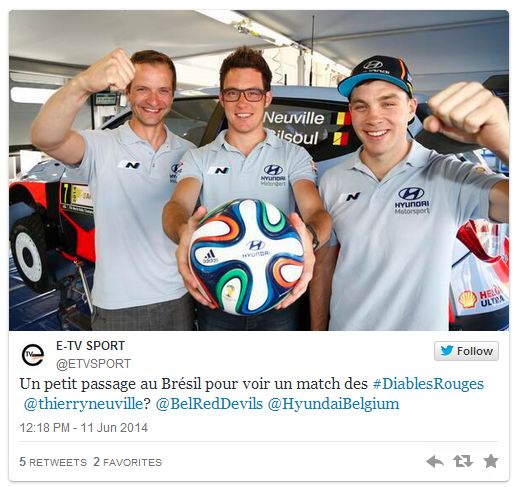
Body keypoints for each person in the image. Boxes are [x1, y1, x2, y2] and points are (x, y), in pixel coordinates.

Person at [310, 55, 509, 331]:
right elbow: (324, 267)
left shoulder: (448, 174)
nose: (373, 117)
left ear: (411, 108)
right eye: (361, 106)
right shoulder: (333, 180)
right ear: (351, 112)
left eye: (388, 103)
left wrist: (505, 145)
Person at [162, 46, 332, 331]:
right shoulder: (198, 158)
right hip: (216, 295)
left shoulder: (293, 155)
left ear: (267, 98)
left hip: (279, 294)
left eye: (252, 93)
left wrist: (310, 240)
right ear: (221, 98)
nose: (242, 103)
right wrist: (183, 233)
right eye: (232, 93)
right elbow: (177, 206)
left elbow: (316, 212)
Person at [31, 49, 196, 331]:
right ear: (127, 93)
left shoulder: (189, 152)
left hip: (178, 297)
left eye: (163, 90)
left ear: (172, 95)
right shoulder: (101, 145)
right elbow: (44, 137)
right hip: (119, 305)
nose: (154, 100)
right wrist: (82, 84)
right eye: (142, 89)